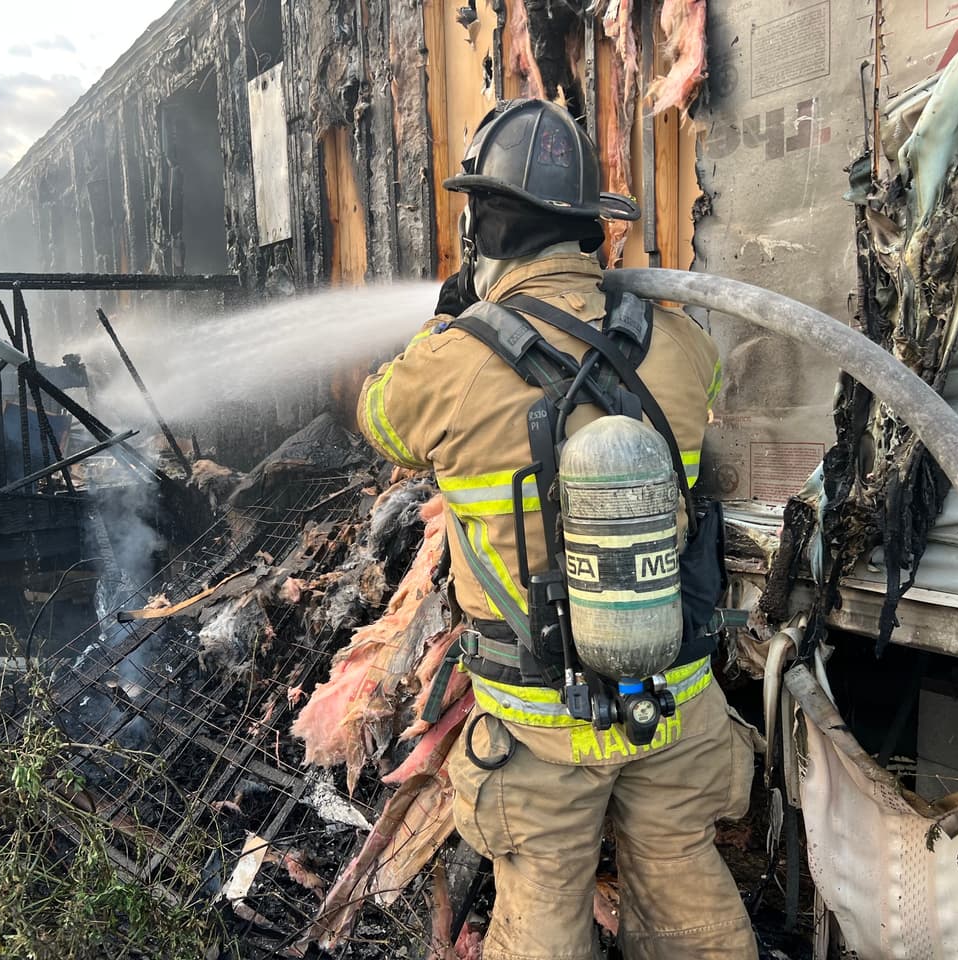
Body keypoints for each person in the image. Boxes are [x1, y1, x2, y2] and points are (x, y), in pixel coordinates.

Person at [357, 98, 757, 960]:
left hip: (539, 725)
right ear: (590, 231)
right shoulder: (682, 342)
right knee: (689, 889)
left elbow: (381, 421)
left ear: (485, 226)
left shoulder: (453, 359)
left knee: (540, 914)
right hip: (675, 698)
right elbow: (716, 388)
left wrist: (446, 321)